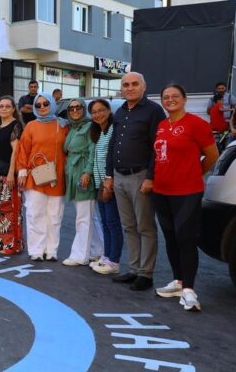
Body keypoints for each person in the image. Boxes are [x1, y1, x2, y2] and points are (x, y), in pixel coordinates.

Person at [151, 84, 220, 312]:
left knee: (185, 238)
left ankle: (189, 290)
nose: (170, 100)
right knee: (170, 237)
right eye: (166, 97)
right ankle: (178, 281)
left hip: (187, 192)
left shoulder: (197, 124)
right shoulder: (162, 126)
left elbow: (212, 155)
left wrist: (195, 172)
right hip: (162, 191)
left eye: (175, 96)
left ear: (184, 99)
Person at [103, 72, 164, 291]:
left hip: (140, 177)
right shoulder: (120, 112)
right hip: (119, 177)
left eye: (134, 84)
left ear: (144, 87)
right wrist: (109, 176)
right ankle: (134, 269)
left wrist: (151, 177)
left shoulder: (154, 111)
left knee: (145, 226)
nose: (129, 88)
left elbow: (157, 147)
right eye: (126, 85)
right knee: (129, 226)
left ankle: (146, 274)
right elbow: (113, 145)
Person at [16, 93, 68, 262]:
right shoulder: (31, 126)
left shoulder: (63, 125)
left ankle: (51, 250)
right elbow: (23, 150)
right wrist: (22, 171)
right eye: (38, 105)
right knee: (35, 213)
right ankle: (37, 250)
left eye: (46, 103)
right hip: (35, 176)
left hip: (57, 176)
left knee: (55, 215)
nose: (42, 107)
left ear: (52, 104)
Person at [61, 98, 103, 267]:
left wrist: (87, 172)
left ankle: (80, 255)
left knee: (83, 217)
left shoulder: (90, 126)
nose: (75, 110)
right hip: (73, 173)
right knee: (89, 216)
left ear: (84, 108)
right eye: (71, 108)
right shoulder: (72, 128)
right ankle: (98, 250)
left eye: (78, 107)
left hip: (83, 174)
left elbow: (93, 151)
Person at [0, 97, 24, 255]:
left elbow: (16, 151)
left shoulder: (15, 126)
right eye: (1, 106)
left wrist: (10, 174)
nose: (4, 109)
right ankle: (5, 243)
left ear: (13, 109)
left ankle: (13, 245)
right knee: (1, 211)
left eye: (8, 106)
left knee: (11, 210)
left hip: (9, 176)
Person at [88, 99, 122, 276]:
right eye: (94, 112)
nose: (97, 114)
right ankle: (106, 256)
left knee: (113, 222)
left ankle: (114, 260)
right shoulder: (98, 132)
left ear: (109, 110)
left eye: (101, 110)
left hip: (111, 183)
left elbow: (113, 158)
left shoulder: (114, 130)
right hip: (99, 184)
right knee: (105, 222)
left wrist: (111, 180)